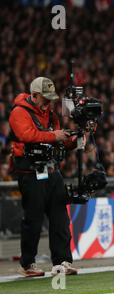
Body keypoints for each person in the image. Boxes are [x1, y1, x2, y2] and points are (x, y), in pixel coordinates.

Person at [9, 77, 79, 277]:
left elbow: (58, 141)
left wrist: (74, 139)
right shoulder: (19, 112)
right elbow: (27, 135)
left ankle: (62, 261)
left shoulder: (50, 114)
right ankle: (28, 264)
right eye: (45, 98)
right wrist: (54, 136)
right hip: (30, 172)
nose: (49, 103)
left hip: (51, 169)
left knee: (60, 217)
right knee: (33, 218)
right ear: (34, 95)